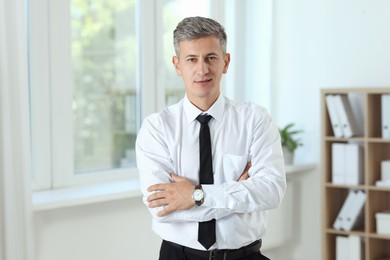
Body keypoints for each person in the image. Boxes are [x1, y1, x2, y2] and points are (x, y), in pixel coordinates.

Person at [136, 16, 286, 260]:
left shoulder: (255, 120)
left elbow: (271, 191)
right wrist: (237, 193)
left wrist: (196, 195)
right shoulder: (157, 128)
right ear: (177, 65)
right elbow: (163, 208)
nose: (202, 69)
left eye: (211, 58)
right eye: (192, 59)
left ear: (226, 62)